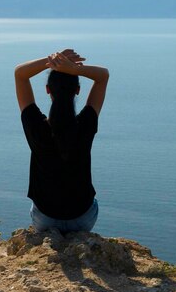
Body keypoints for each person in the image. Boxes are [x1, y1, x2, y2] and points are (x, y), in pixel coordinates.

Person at [14, 49, 109, 233]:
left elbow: (20, 74)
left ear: (48, 90)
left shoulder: (36, 127)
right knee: (92, 202)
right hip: (83, 218)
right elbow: (103, 76)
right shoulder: (86, 124)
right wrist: (74, 69)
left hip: (45, 219)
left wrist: (51, 60)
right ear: (78, 91)